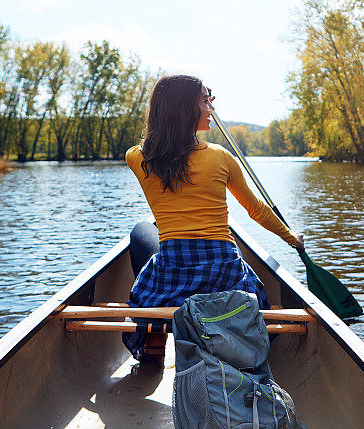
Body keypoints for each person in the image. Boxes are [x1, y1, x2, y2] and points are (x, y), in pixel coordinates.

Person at [123, 74, 305, 362]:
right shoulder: (221, 157)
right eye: (205, 101)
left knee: (141, 231)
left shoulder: (137, 158)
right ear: (186, 110)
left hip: (174, 271)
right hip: (224, 274)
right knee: (226, 251)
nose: (212, 108)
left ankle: (155, 338)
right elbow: (256, 209)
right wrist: (291, 238)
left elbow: (152, 147)